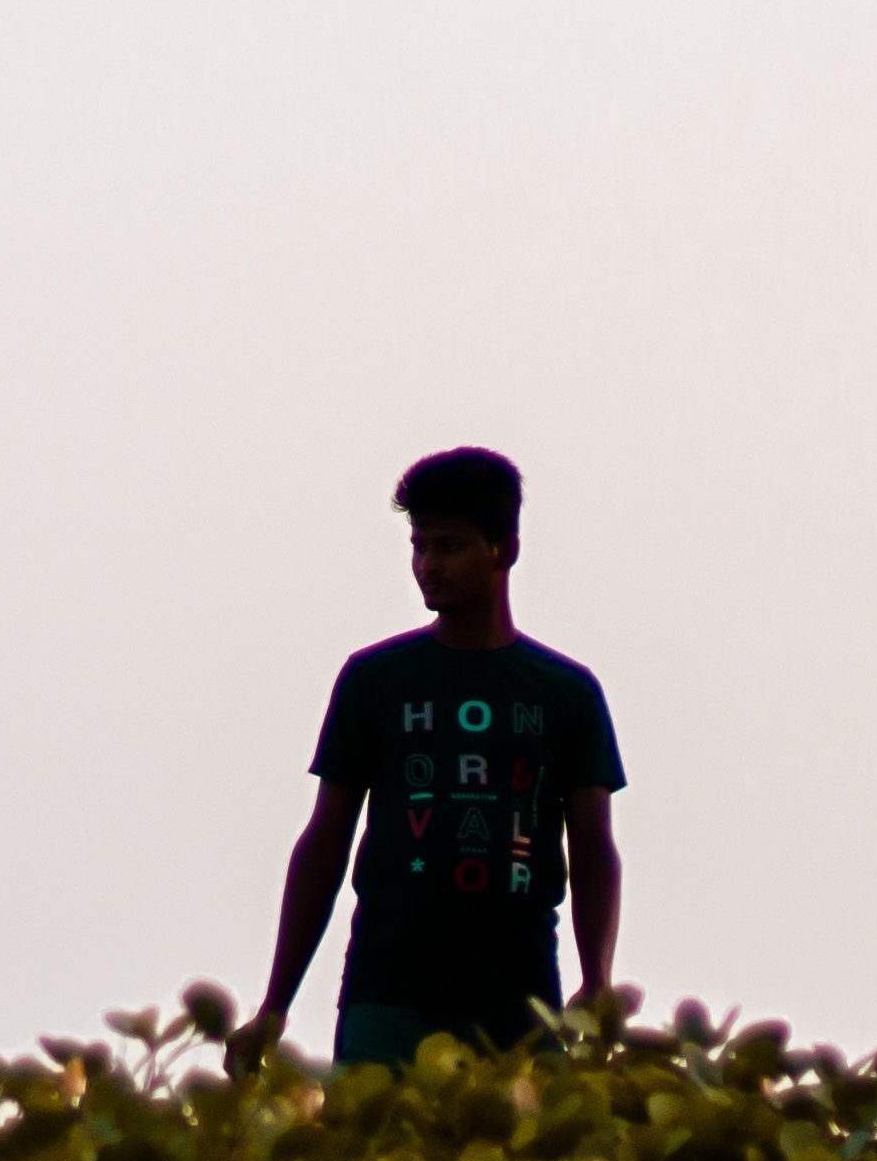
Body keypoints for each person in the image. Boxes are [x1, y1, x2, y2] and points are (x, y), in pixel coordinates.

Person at [257, 446, 624, 1066]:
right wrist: (275, 1005)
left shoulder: (566, 692)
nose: (428, 565)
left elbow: (592, 850)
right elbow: (324, 844)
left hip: (520, 1002)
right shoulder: (374, 679)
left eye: (449, 546)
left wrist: (597, 981)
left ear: (504, 551)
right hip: (386, 997)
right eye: (419, 546)